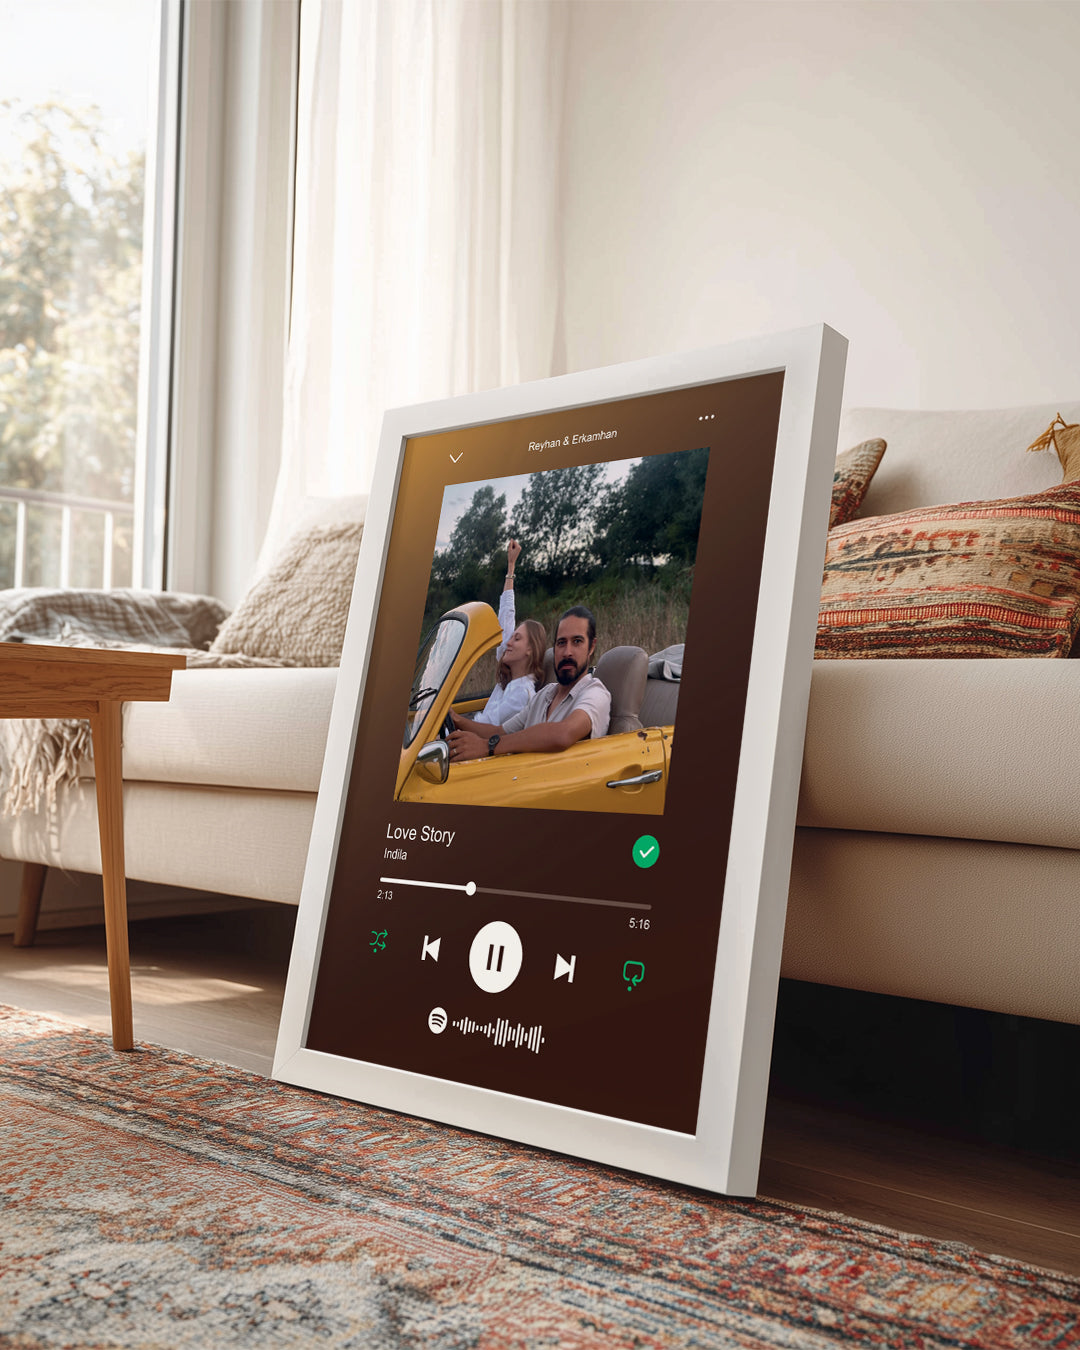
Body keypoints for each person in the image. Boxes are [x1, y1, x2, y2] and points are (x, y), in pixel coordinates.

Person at [448, 605, 610, 762]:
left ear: (591, 647)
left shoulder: (595, 693)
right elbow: (499, 732)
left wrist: (486, 746)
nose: (567, 652)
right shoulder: (545, 695)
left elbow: (563, 733)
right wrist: (456, 719)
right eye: (561, 643)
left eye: (577, 641)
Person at [478, 540, 545, 726]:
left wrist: (453, 718)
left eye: (517, 639)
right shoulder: (508, 680)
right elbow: (506, 618)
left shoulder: (522, 694)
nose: (508, 642)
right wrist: (511, 567)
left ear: (530, 649)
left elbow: (485, 726)